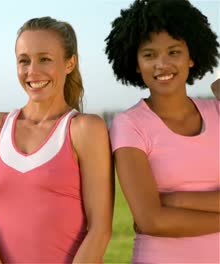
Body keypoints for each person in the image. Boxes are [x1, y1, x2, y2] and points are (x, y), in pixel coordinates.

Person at [0, 16, 113, 263]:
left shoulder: (85, 129)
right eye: (24, 61)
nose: (32, 71)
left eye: (45, 59)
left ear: (69, 63)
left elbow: (100, 230)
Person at [105, 0, 220, 262]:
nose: (162, 64)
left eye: (174, 52)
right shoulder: (128, 125)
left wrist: (175, 200)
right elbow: (151, 220)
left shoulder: (217, 111)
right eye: (149, 55)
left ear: (191, 57)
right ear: (135, 63)